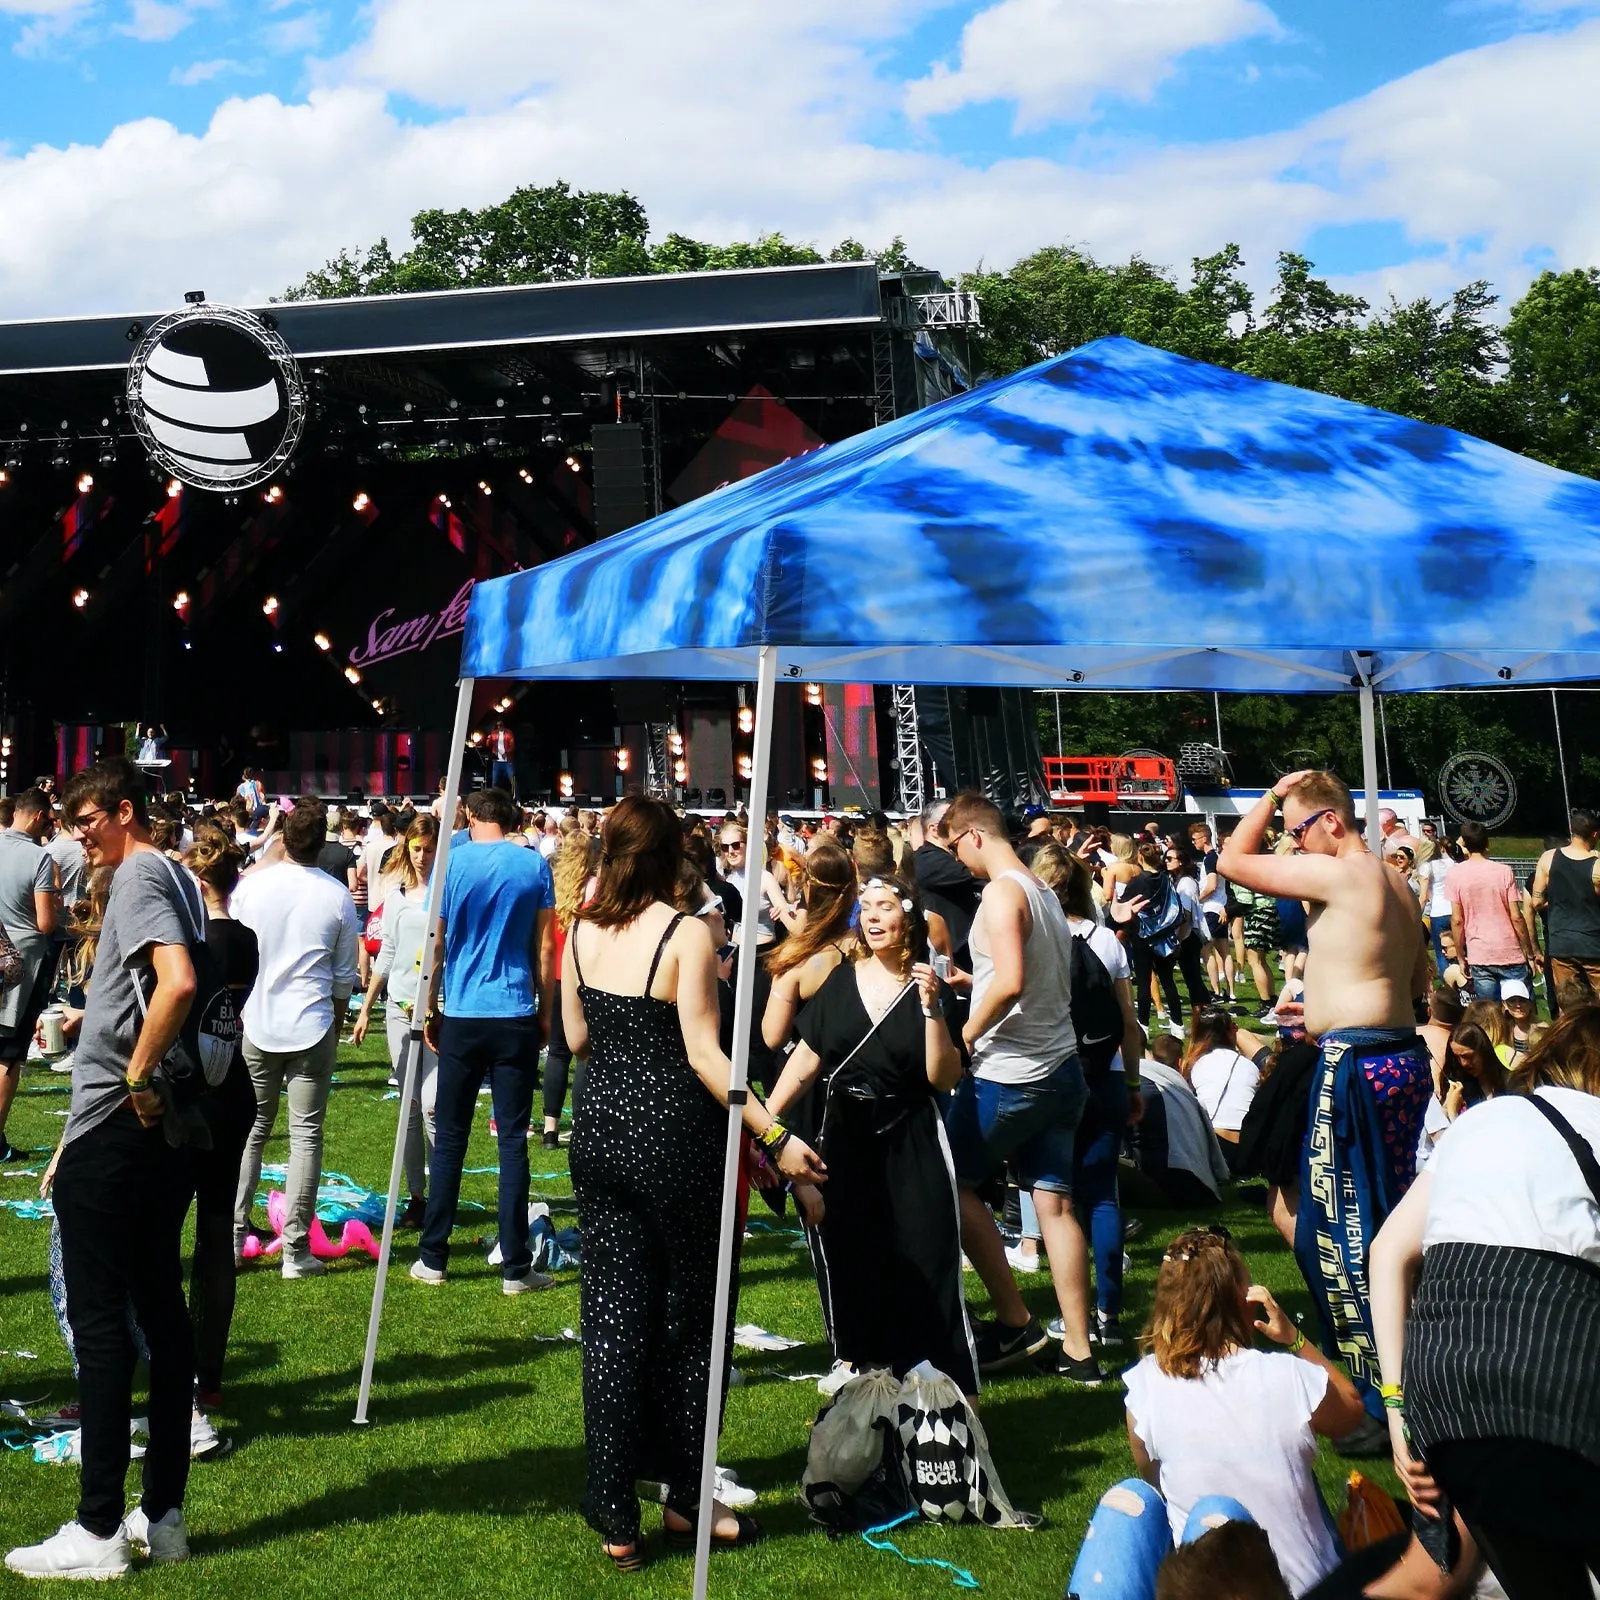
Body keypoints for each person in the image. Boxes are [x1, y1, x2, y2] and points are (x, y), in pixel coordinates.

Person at [560, 796, 823, 1570]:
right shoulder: (684, 935)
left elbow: (575, 1037)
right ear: (674, 855)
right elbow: (708, 1058)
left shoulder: (580, 928)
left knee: (611, 1326)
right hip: (673, 1140)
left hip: (601, 1133)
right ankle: (683, 1498)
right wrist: (775, 1136)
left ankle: (615, 1512)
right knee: (689, 1327)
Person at [5, 761, 201, 1578]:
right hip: (144, 1132)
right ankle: (163, 1516)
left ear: (125, 812)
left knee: (100, 1328)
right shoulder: (178, 876)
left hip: (122, 1127)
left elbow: (178, 981)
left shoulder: (144, 874)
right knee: (158, 1311)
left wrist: (133, 1075)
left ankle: (95, 1531)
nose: (78, 835)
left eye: (88, 820)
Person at [1219, 770, 1432, 1427]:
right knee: (1396, 1226)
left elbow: (1231, 862)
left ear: (1333, 823)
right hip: (1401, 1056)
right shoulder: (1398, 882)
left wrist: (1268, 795)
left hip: (1356, 1064)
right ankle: (1419, 1365)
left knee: (1335, 1236)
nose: (1292, 845)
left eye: (1298, 832)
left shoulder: (1343, 873)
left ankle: (1374, 1397)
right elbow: (1419, 975)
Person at [1371, 1005, 1600, 1599]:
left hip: (1445, 1391)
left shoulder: (1479, 1123)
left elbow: (1388, 1253)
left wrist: (1397, 1410)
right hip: (1559, 1367)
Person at [1070, 1226, 1365, 1599]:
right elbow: (1352, 1411)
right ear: (1244, 1300)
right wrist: (1295, 1338)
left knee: (1135, 1501)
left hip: (1205, 1579)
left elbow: (1157, 1482)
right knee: (1212, 1510)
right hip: (1300, 1589)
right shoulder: (1287, 1377)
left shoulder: (1146, 1387)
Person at [766, 875, 973, 1392]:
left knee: (926, 1260)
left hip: (912, 1138)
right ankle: (867, 1386)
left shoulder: (931, 986)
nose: (874, 917)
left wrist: (930, 1010)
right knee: (856, 1257)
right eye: (867, 908)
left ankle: (944, 1396)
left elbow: (943, 1077)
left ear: (909, 918)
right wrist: (765, 1121)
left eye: (885, 907)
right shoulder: (841, 978)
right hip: (848, 1137)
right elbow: (809, 1056)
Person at [939, 791, 1104, 1384]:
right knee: (1054, 1206)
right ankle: (1081, 1351)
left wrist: (962, 1033)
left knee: (947, 1181)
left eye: (955, 846)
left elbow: (1009, 983)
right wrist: (968, 980)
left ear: (974, 835)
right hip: (1061, 1070)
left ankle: (1017, 1322)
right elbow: (1017, 975)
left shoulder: (1005, 892)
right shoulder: (1042, 892)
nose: (958, 862)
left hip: (1012, 1075)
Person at [414, 787, 555, 1291]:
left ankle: (434, 1257)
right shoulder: (532, 864)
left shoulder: (453, 863)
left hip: (466, 1013)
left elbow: (436, 940)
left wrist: (427, 1005)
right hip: (514, 1009)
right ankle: (516, 1266)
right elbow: (544, 948)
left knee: (450, 1138)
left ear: (472, 816)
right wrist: (546, 1010)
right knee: (512, 1141)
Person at [231, 798, 362, 1278]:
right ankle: (294, 1250)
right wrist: (338, 1017)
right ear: (323, 843)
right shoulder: (334, 895)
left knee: (253, 1132)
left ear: (283, 836)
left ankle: (237, 1235)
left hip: (261, 1021)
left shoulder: (253, 888)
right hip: (308, 1022)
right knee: (303, 1135)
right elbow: (345, 975)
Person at [179, 826, 258, 1417]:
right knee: (214, 1239)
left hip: (193, 1092)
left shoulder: (186, 939)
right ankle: (209, 1374)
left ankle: (177, 1366)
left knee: (161, 1234)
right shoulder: (245, 938)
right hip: (232, 1086)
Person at [352, 815, 439, 1228]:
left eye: (429, 848)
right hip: (399, 1008)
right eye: (416, 849)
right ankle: (418, 1197)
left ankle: (442, 1190)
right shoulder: (398, 897)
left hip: (438, 1011)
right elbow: (386, 952)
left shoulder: (445, 899)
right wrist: (367, 1006)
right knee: (409, 1106)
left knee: (434, 1107)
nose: (422, 856)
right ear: (407, 851)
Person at [0, 786, 59, 1160]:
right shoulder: (40, 858)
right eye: (50, 819)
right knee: (8, 1055)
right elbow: (46, 922)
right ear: (37, 816)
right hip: (21, 964)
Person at [1446, 822, 1536, 1001]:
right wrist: (1530, 953)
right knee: (1522, 1008)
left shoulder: (1455, 875)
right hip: (1509, 950)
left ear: (1463, 843)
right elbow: (1516, 916)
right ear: (1487, 843)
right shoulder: (1504, 871)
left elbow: (1457, 920)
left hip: (1479, 953)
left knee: (1488, 1012)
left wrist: (1461, 956)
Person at [1528, 809, 1600, 1005]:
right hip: (1593, 944)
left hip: (1561, 944)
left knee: (1569, 1003)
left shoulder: (1548, 858)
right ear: (1595, 834)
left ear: (1571, 829)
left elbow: (1537, 902)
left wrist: (1561, 898)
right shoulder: (1597, 866)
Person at [1181, 1007, 1262, 1165]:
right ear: (1232, 1031)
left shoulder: (1193, 1065)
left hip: (1214, 1147)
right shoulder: (1249, 1065)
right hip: (1249, 1147)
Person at [912, 799, 981, 971]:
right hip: (955, 961)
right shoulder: (930, 861)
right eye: (953, 821)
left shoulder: (948, 858)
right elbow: (979, 875)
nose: (962, 826)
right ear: (934, 830)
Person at [486, 720, 516, 796]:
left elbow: (512, 745)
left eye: (501, 725)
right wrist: (489, 738)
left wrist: (506, 753)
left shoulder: (508, 733)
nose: (499, 727)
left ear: (503, 725)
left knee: (511, 779)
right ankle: (494, 798)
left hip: (507, 761)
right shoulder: (494, 733)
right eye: (498, 725)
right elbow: (488, 745)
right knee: (495, 781)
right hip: (497, 761)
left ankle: (515, 797)